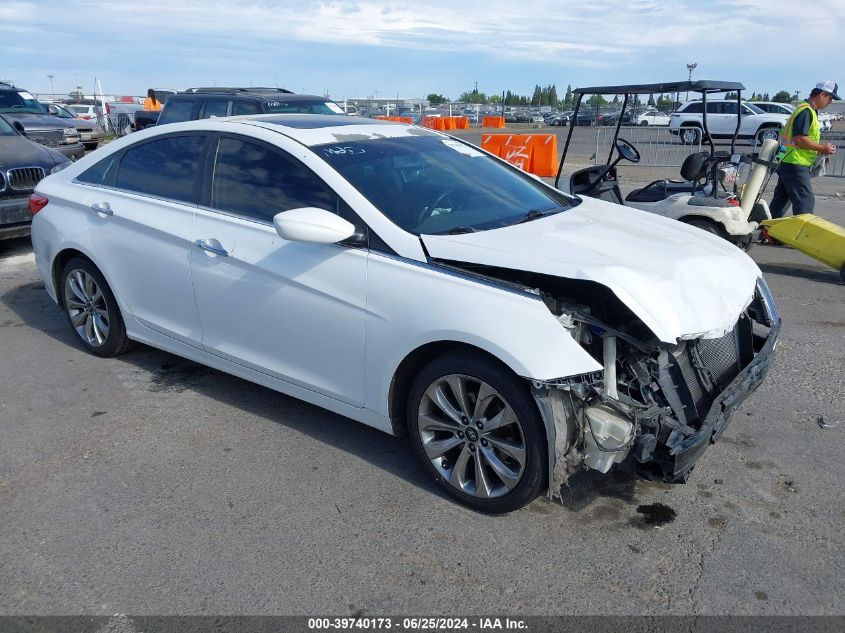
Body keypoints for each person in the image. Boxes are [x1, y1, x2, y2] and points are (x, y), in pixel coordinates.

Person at [769, 81, 839, 218]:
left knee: (781, 201)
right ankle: (803, 234)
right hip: (795, 163)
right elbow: (799, 139)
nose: (830, 102)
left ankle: (766, 231)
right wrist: (822, 148)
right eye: (830, 98)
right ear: (822, 94)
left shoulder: (806, 110)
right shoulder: (806, 111)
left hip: (788, 161)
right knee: (805, 201)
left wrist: (819, 149)